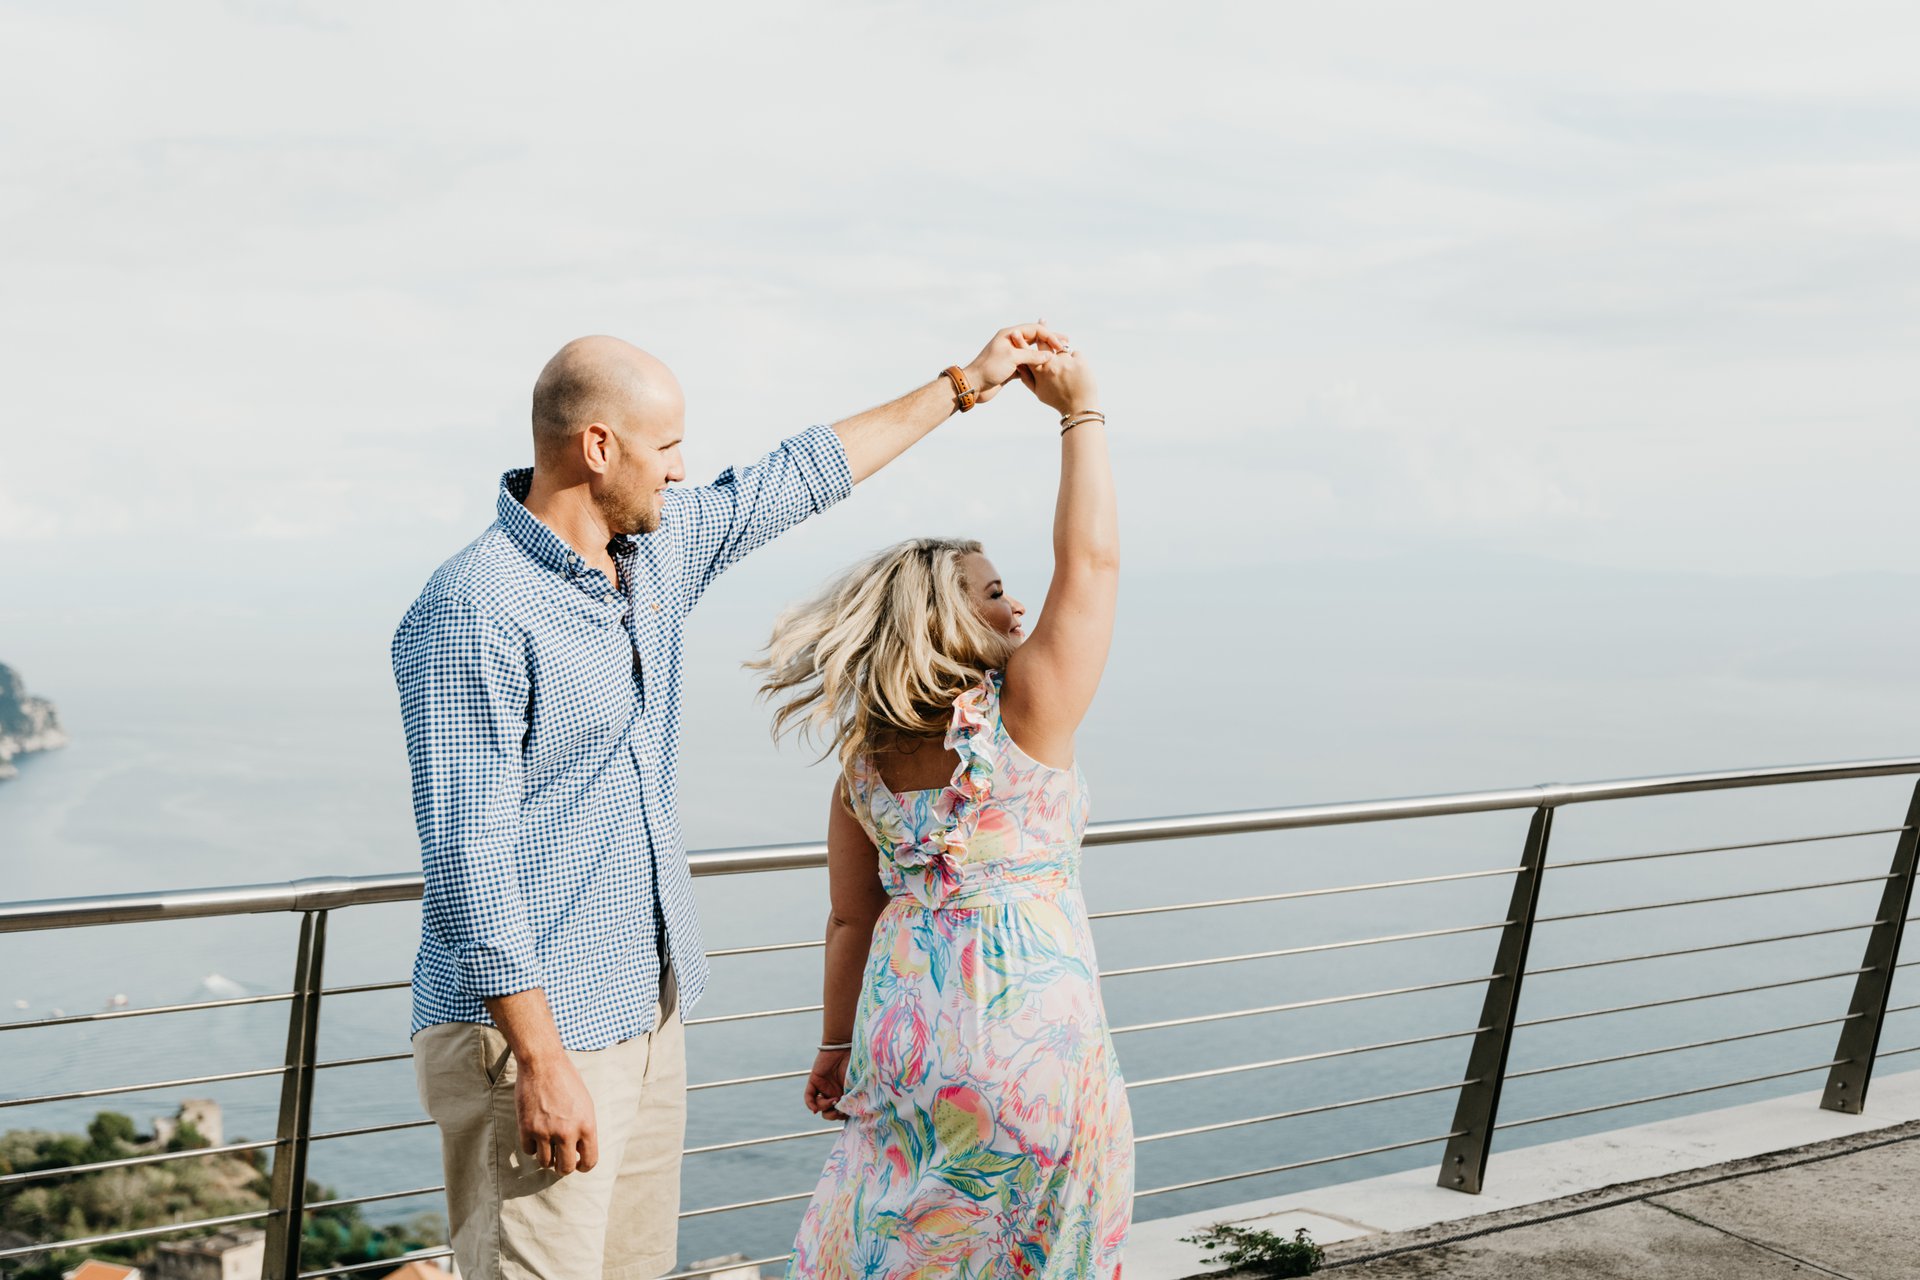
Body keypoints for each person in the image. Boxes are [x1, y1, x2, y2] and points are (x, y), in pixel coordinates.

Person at [391, 325, 1066, 1280]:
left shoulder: (652, 558)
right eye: (666, 447)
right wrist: (540, 1060)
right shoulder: (474, 608)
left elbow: (801, 474)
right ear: (598, 447)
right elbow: (468, 858)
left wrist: (965, 384)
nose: (681, 470)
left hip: (643, 1007)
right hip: (531, 1036)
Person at [753, 345, 1130, 1276]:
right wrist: (1080, 413)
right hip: (1029, 1044)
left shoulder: (864, 762)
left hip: (904, 1038)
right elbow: (1091, 563)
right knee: (1036, 1252)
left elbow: (851, 918)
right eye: (994, 593)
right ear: (945, 619)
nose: (1018, 607)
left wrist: (835, 1045)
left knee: (903, 1239)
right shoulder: (1028, 714)